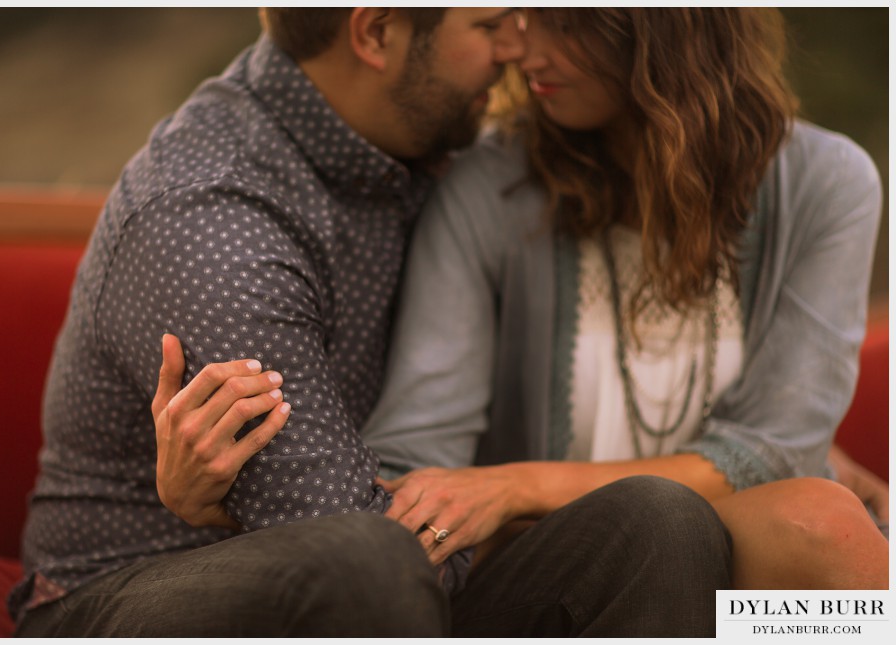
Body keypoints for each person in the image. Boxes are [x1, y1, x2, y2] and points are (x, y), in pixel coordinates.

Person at [11, 7, 528, 637]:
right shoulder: (213, 225)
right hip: (121, 594)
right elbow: (357, 533)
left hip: (368, 568)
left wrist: (523, 493)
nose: (511, 46)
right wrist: (515, 506)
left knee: (644, 520)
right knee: (369, 555)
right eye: (487, 24)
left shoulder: (413, 135)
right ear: (375, 33)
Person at [359, 5, 888, 597]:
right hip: (561, 563)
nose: (527, 54)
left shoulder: (828, 182)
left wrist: (515, 484)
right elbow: (418, 450)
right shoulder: (488, 186)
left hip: (745, 573)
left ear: (667, 28)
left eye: (565, 24)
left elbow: (775, 454)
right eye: (528, 19)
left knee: (822, 527)